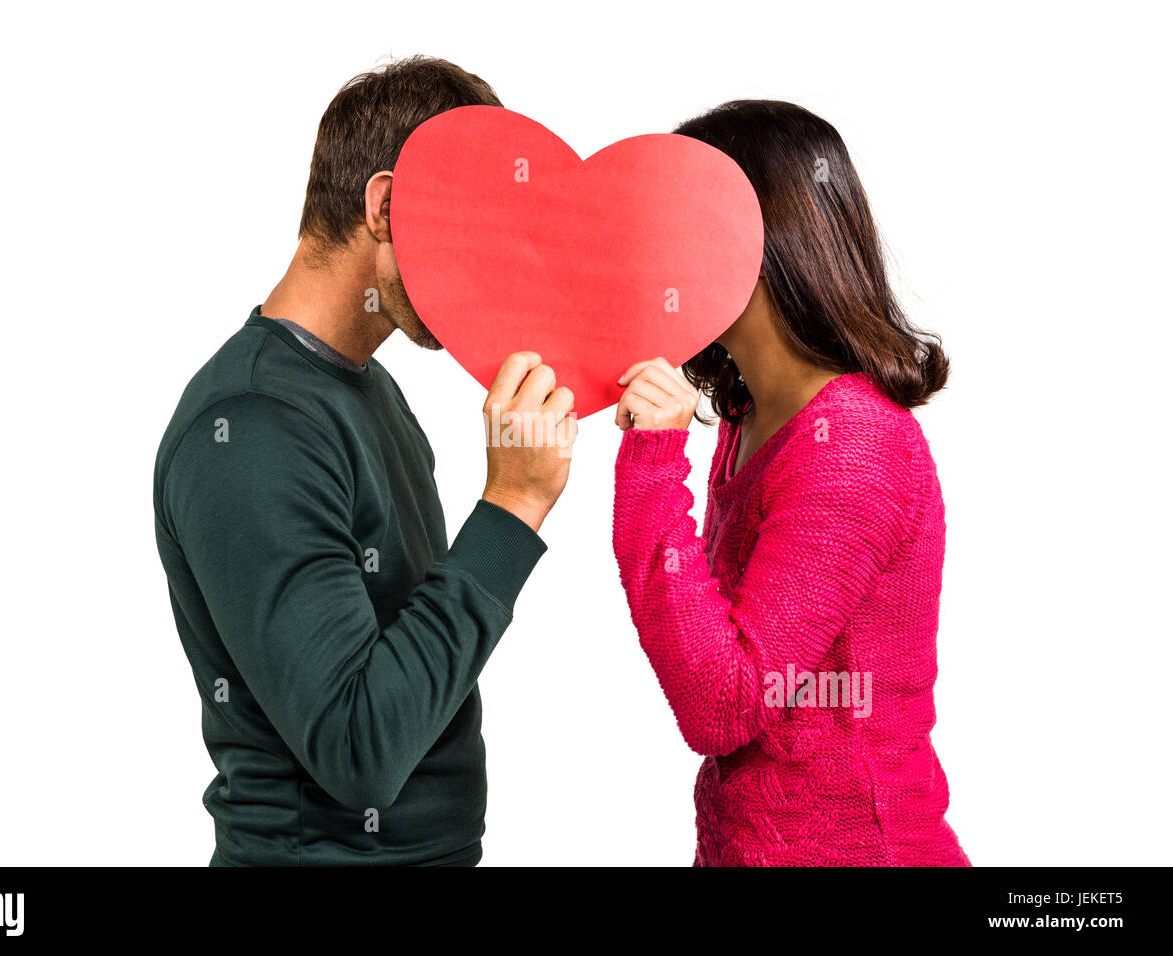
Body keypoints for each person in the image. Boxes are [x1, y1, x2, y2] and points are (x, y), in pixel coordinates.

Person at [153, 56, 577, 866]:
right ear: (385, 206)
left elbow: (412, 675)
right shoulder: (252, 427)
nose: (495, 271)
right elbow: (361, 747)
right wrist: (512, 509)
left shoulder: (369, 393)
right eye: (477, 230)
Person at [612, 100, 969, 866]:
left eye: (672, 225)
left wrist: (651, 468)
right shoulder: (750, 415)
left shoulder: (853, 447)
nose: (650, 258)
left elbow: (723, 704)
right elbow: (717, 656)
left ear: (752, 235)